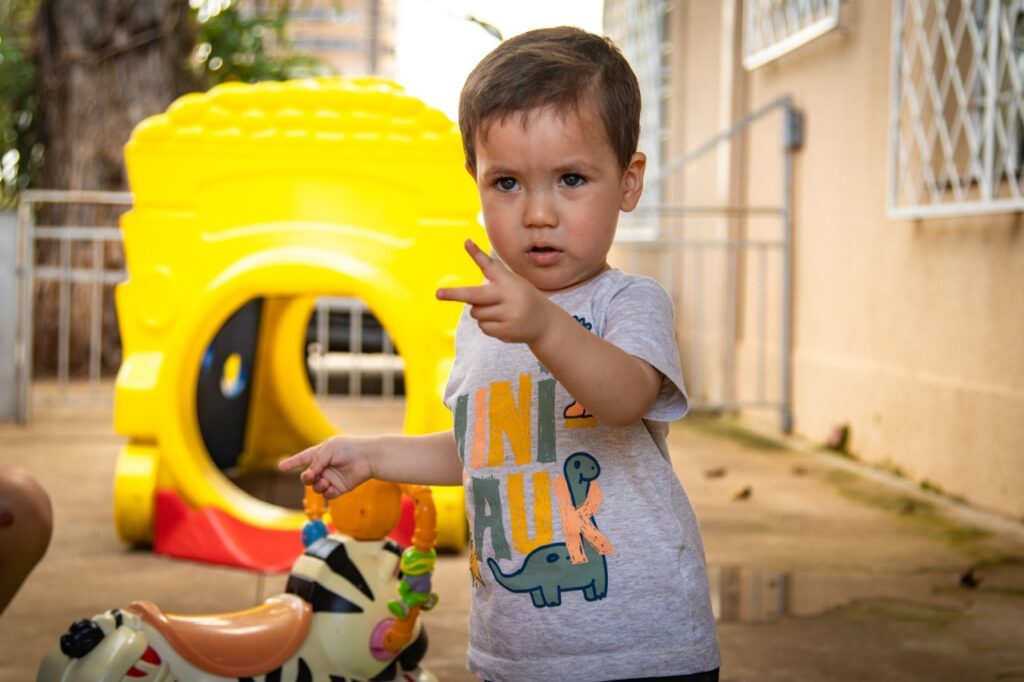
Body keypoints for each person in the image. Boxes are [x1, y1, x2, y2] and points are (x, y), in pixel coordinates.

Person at [279, 26, 721, 681]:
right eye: (507, 183)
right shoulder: (482, 325)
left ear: (628, 183)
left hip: (638, 651)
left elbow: (624, 399)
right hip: (515, 653)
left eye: (571, 179)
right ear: (475, 182)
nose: (538, 212)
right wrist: (374, 455)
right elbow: (479, 450)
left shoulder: (628, 303)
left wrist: (543, 326)